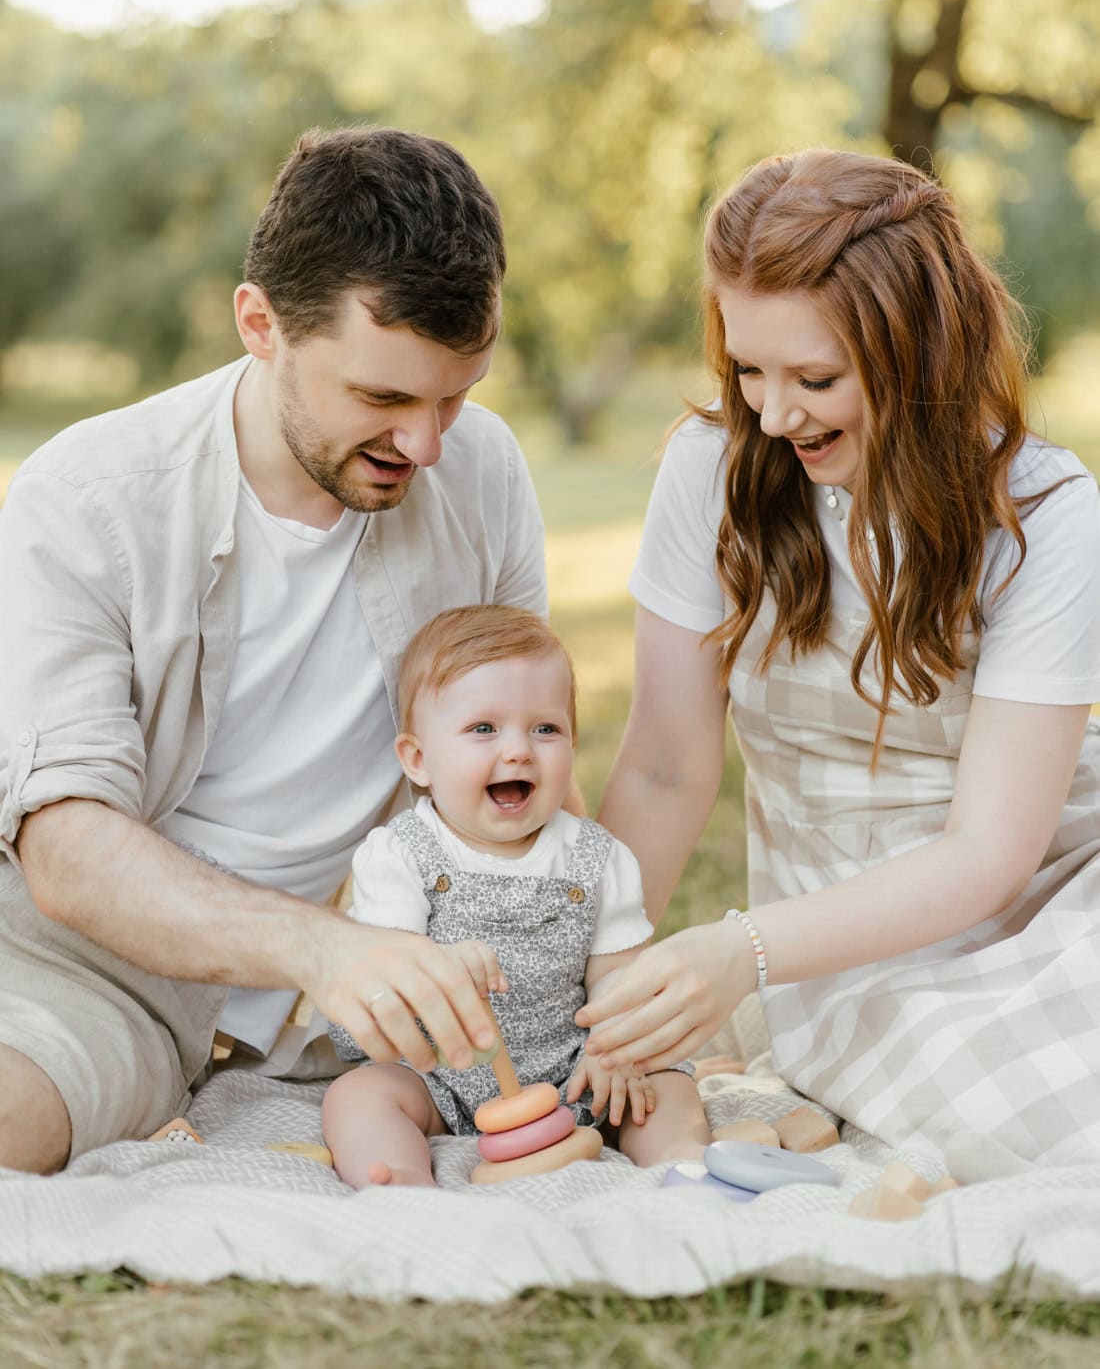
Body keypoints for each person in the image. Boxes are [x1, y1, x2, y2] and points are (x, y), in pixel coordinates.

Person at [0, 126, 548, 1174]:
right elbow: (66, 848)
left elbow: (516, 769)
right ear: (260, 323)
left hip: (366, 980)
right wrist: (320, 949)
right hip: (80, 959)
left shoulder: (480, 471)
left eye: (454, 394)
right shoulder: (87, 497)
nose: (426, 445)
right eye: (383, 399)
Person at [580, 148, 1100, 1167]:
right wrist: (588, 965)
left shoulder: (1045, 515)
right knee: (992, 1102)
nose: (773, 416)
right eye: (747, 371)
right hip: (839, 934)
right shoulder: (711, 473)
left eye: (814, 378)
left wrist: (739, 949)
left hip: (1037, 886)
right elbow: (662, 766)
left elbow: (990, 856)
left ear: (919, 355)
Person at [321, 605, 711, 1188]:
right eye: (484, 729)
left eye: (546, 729)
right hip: (439, 1074)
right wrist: (436, 969)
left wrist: (613, 1049)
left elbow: (619, 981)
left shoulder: (598, 859)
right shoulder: (401, 855)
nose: (519, 750)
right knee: (360, 1094)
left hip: (577, 1072)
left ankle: (682, 1166)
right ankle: (400, 1181)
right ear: (418, 759)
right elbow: (385, 973)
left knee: (663, 1084)